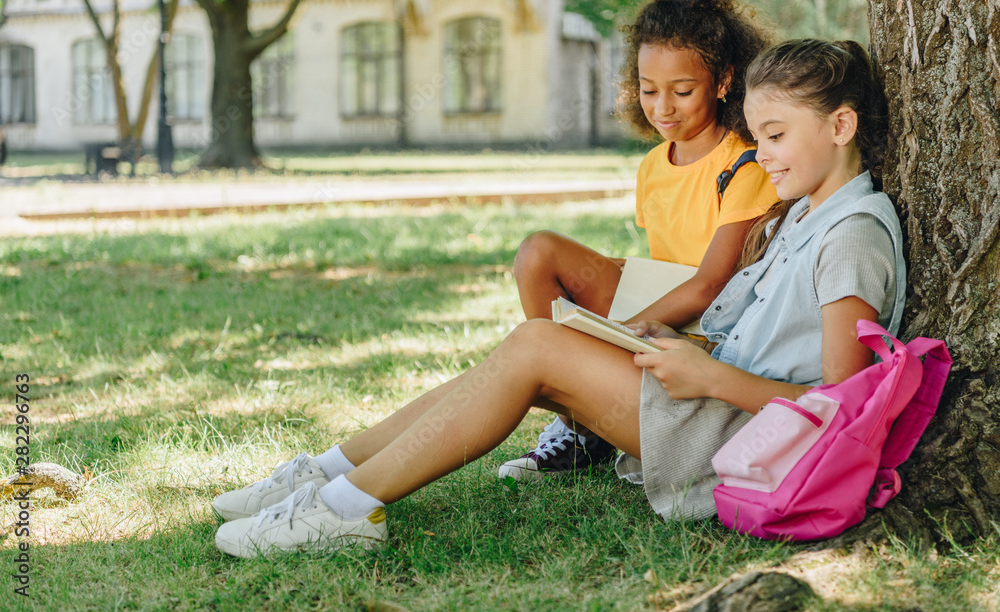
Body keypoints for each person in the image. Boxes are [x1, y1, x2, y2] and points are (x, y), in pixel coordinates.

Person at [211, 37, 906, 557]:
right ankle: (328, 474)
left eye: (776, 137)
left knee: (537, 344)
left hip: (733, 435)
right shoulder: (809, 212)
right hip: (711, 398)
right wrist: (684, 349)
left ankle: (343, 506)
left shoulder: (850, 235)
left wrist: (707, 373)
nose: (761, 155)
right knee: (527, 348)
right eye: (756, 139)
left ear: (840, 127)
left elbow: (843, 413)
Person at [500, 0, 777, 480]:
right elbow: (663, 262)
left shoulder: (747, 160)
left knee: (583, 335)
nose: (663, 107)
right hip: (665, 299)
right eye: (649, 90)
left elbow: (710, 283)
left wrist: (621, 332)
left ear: (723, 81)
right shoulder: (653, 164)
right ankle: (580, 428)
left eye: (682, 90)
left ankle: (587, 398)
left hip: (712, 325)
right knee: (538, 250)